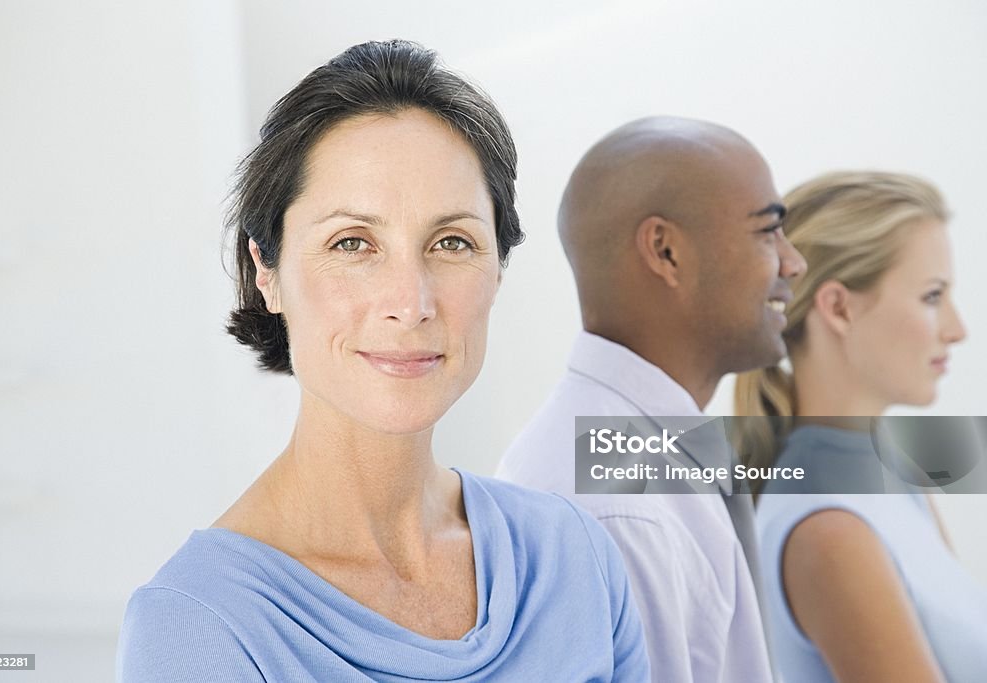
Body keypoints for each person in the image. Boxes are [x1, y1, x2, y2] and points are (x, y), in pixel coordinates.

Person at [116, 40, 649, 682]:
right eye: (353, 243)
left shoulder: (574, 554)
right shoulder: (196, 628)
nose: (411, 302)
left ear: (498, 270)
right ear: (267, 271)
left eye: (452, 242)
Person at [496, 116, 807, 683]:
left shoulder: (638, 461)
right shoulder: (621, 512)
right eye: (768, 232)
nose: (794, 263)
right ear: (665, 251)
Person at [734, 171, 987, 682]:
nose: (957, 330)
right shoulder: (830, 532)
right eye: (933, 296)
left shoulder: (892, 473)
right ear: (839, 308)